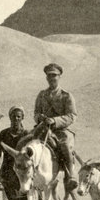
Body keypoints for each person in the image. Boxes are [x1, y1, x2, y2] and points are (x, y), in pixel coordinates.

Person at [32, 62, 78, 192]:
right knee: (26, 141)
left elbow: (72, 116)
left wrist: (54, 120)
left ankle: (70, 177)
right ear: (46, 78)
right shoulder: (41, 95)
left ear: (59, 77)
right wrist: (39, 118)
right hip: (43, 128)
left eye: (54, 75)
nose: (52, 78)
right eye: (49, 76)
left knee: (65, 147)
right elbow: (35, 113)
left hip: (60, 131)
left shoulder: (66, 96)